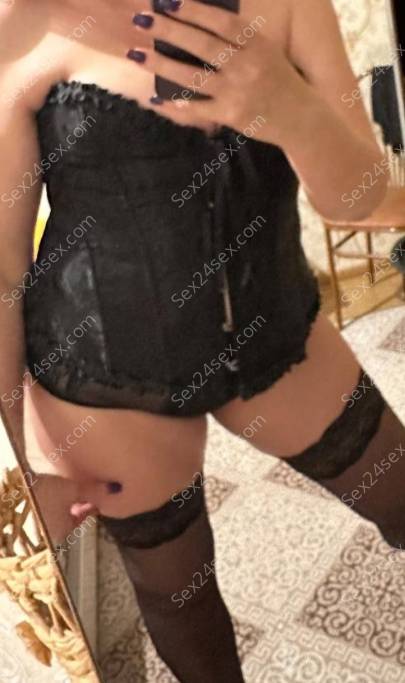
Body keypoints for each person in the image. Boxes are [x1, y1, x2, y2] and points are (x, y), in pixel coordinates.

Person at [0, 0, 403, 680]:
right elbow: (5, 268)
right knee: (183, 610)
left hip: (275, 327)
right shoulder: (25, 22)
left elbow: (355, 197)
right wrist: (21, 459)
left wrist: (290, 109)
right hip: (104, 374)